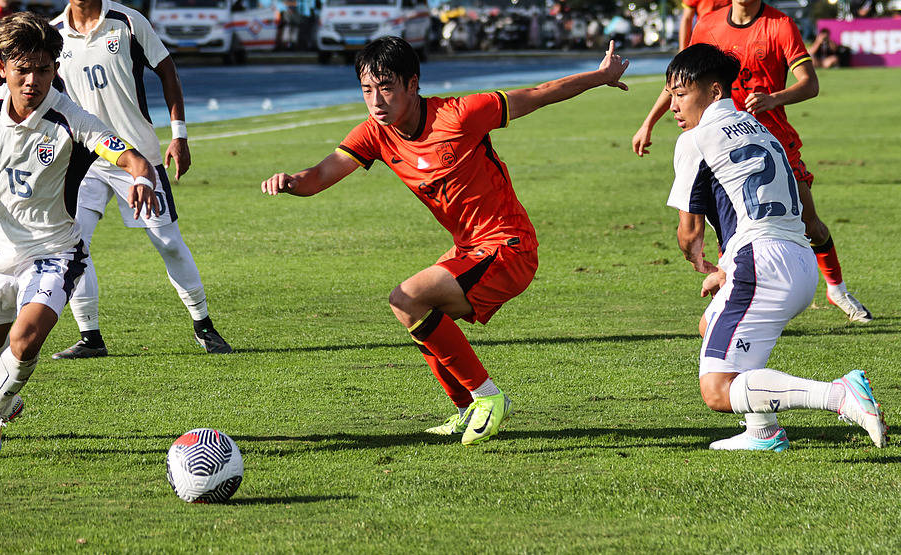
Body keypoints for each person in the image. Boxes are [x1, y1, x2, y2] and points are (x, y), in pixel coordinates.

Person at [261, 35, 630, 445]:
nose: (376, 101)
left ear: (412, 84)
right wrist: (291, 182)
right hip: (470, 250)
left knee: (407, 298)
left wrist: (600, 76)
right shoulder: (376, 133)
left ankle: (488, 397)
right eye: (367, 89)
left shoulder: (459, 115)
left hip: (509, 246)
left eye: (386, 87)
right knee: (419, 314)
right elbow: (319, 175)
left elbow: (539, 94)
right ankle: (467, 408)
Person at [0, 12, 159, 460]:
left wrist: (142, 176)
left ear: (55, 69)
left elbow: (128, 155)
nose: (33, 80)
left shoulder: (72, 119)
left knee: (26, 338)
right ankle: (0, 399)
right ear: (3, 67)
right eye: (23, 69)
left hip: (54, 250)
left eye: (44, 70)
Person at [632, 0, 873, 323]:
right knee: (729, 229)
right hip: (722, 144)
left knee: (809, 223)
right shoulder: (708, 25)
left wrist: (774, 98)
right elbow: (681, 80)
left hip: (772, 144)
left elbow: (810, 84)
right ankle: (736, 300)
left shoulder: (780, 25)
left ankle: (837, 290)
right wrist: (649, 122)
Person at [664, 42, 887, 451]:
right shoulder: (759, 127)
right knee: (710, 324)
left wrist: (701, 261)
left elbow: (689, 233)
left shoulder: (695, 139)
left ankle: (839, 395)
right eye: (670, 95)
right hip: (797, 259)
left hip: (761, 262)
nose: (673, 106)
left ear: (714, 91)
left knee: (716, 389)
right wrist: (728, 269)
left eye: (680, 94)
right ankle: (763, 432)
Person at [49, 0, 232, 358]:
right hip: (85, 159)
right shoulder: (53, 35)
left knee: (168, 242)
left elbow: (168, 72)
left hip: (138, 158)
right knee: (72, 244)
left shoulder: (129, 22)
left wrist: (179, 134)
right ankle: (90, 337)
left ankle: (204, 326)